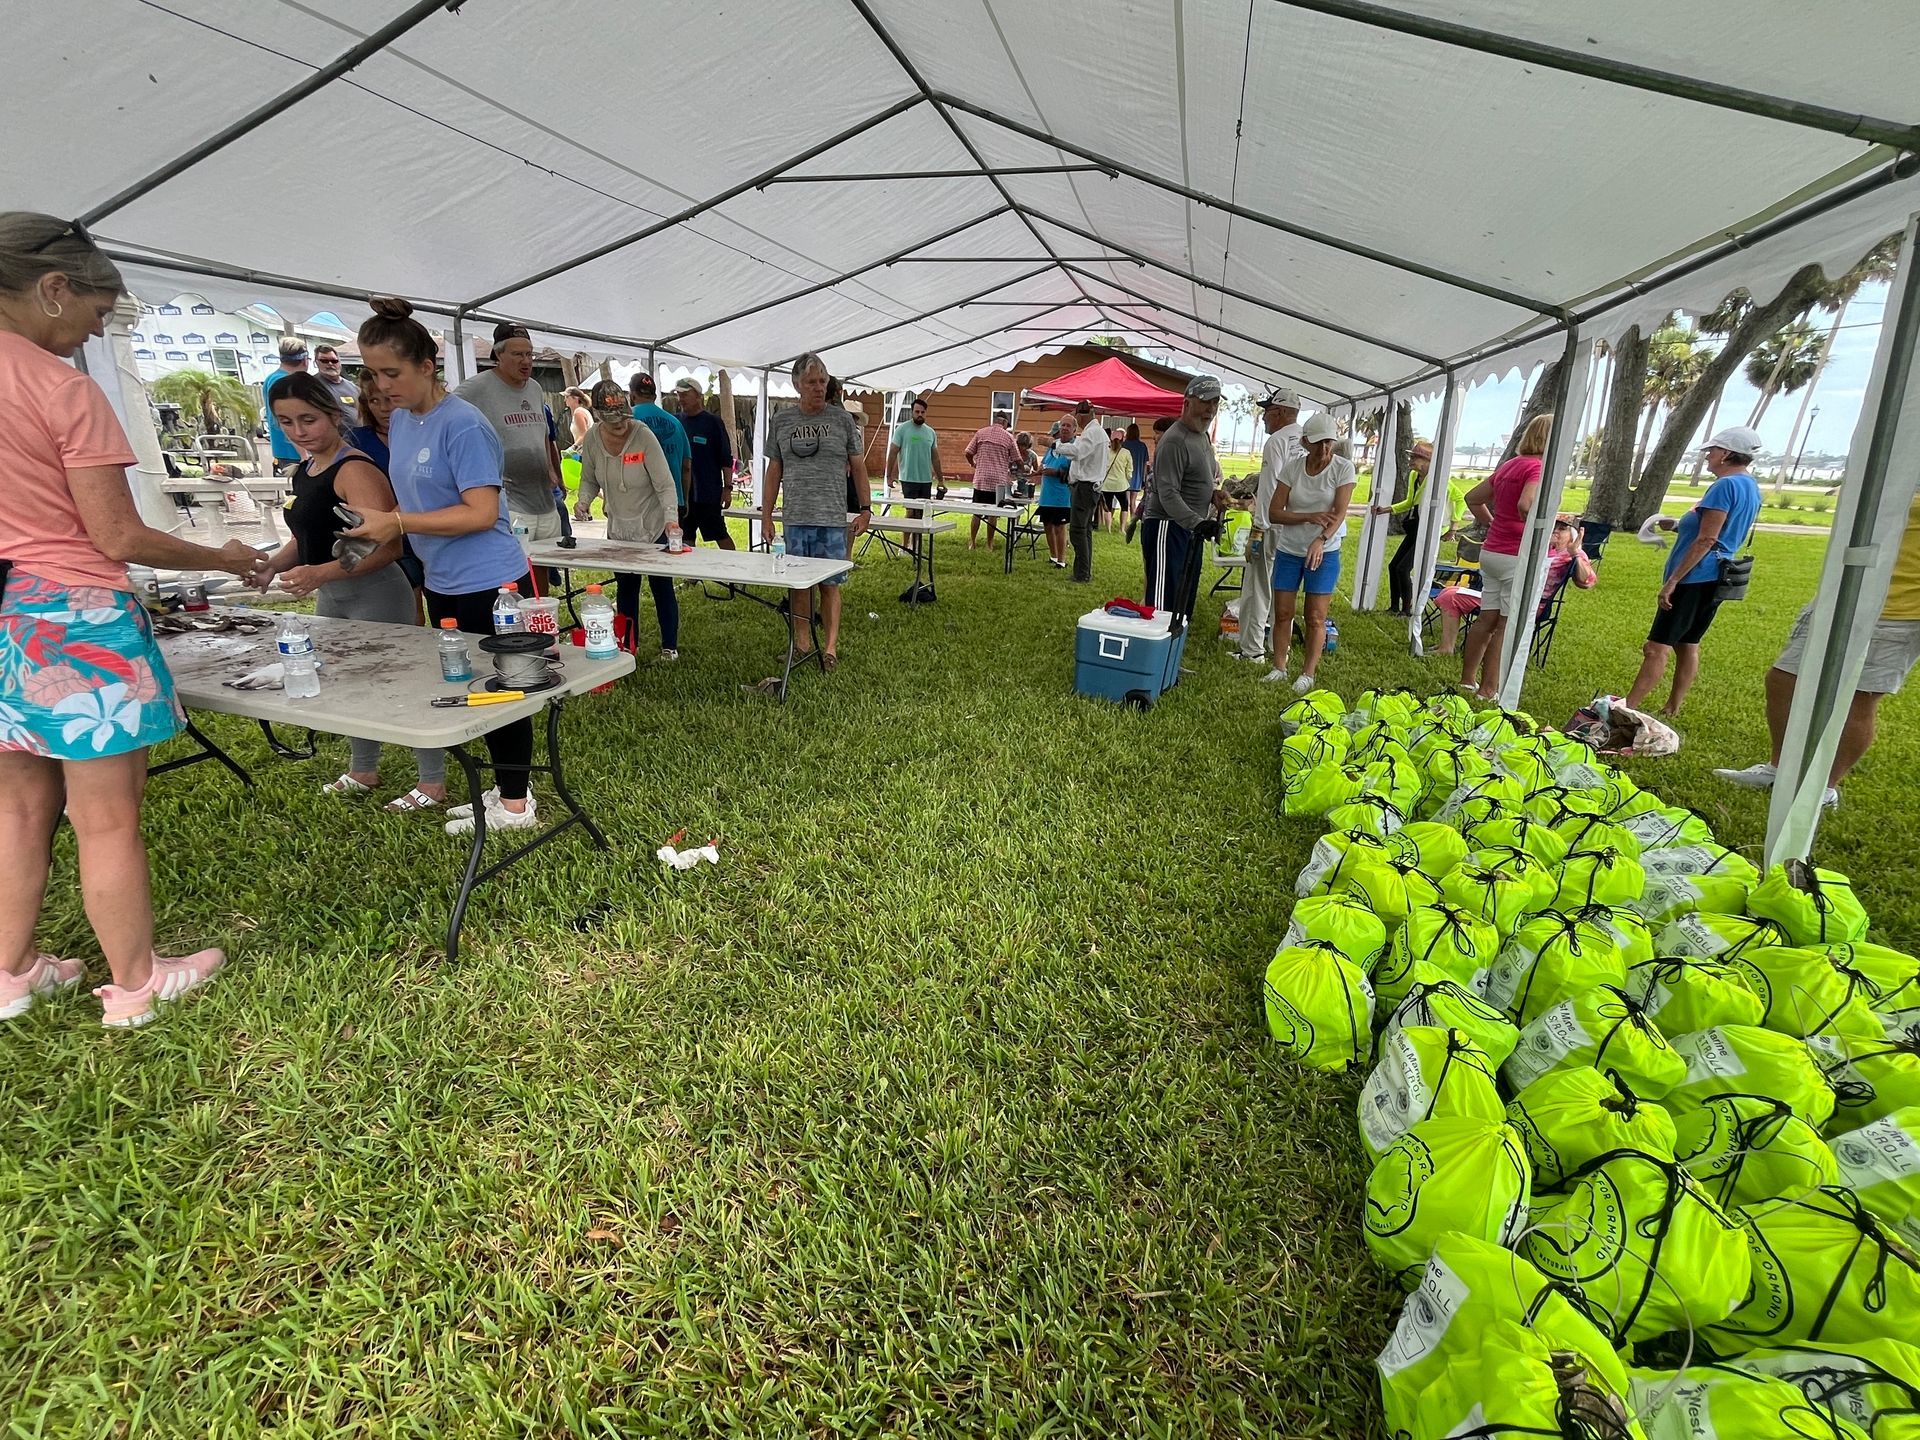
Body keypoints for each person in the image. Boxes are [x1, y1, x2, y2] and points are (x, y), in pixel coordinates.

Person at [0, 212, 260, 1026]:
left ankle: (10, 973)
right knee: (106, 818)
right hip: (79, 615)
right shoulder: (61, 389)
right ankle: (137, 983)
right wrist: (219, 558)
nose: (93, 332)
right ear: (52, 289)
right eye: (96, 312)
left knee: (15, 807)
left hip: (11, 618)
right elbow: (115, 533)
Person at [344, 298, 540, 837]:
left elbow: (480, 512)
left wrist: (397, 523)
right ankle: (507, 788)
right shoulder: (405, 420)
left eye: (392, 372)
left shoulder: (464, 425)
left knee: (507, 688)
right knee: (474, 682)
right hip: (444, 580)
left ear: (427, 367)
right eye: (372, 373)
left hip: (492, 580)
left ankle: (519, 806)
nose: (381, 386)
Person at [252, 372, 445, 809]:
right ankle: (364, 768)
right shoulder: (306, 469)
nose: (299, 432)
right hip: (335, 594)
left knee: (403, 682)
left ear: (332, 415)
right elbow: (307, 535)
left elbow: (387, 545)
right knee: (349, 682)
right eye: (286, 423)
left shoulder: (353, 468)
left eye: (308, 420)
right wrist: (272, 567)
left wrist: (322, 573)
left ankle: (432, 781)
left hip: (376, 591)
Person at [1714, 499, 1920, 810]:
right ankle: (1778, 770)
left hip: (1897, 610)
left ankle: (1823, 789)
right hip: (1839, 595)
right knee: (1782, 681)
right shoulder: (1891, 460)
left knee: (1858, 698)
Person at [1622, 425, 1764, 717]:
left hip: (1696, 576)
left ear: (1726, 454)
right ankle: (1673, 707)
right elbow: (1718, 531)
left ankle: (1627, 708)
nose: (1708, 457)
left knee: (1656, 647)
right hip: (1717, 577)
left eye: (1711, 451)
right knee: (1688, 643)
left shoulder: (1724, 486)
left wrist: (1674, 580)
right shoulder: (1750, 486)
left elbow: (1707, 538)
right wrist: (1676, 525)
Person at [760, 353, 870, 676]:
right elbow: (773, 471)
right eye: (811, 382)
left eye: (823, 381)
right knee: (798, 586)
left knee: (830, 585)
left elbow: (859, 467)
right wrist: (767, 516)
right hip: (795, 518)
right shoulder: (782, 421)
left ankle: (831, 648)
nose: (819, 387)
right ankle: (803, 644)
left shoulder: (842, 421)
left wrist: (865, 509)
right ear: (797, 385)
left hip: (833, 519)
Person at [575, 380, 681, 661]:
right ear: (598, 415)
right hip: (619, 529)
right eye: (612, 421)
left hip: (653, 526)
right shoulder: (593, 439)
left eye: (623, 418)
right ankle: (627, 644)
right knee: (626, 588)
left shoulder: (644, 436)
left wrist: (671, 520)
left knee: (662, 586)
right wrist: (583, 502)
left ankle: (669, 647)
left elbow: (665, 485)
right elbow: (588, 479)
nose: (620, 425)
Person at [1456, 413, 1553, 701]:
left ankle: (1467, 680)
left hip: (1493, 552)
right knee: (1506, 624)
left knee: (1486, 618)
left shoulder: (1510, 465)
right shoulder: (1537, 468)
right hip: (1516, 556)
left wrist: (1492, 523)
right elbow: (1526, 504)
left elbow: (1472, 498)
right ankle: (1488, 689)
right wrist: (1533, 529)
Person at [454, 323, 568, 556]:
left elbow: (544, 435)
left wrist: (551, 469)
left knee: (543, 574)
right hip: (510, 504)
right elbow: (444, 419)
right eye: (517, 354)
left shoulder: (535, 388)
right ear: (498, 354)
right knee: (516, 573)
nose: (526, 361)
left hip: (545, 500)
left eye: (529, 354)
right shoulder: (476, 388)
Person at [1266, 412, 1356, 694]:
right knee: (1282, 613)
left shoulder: (1343, 468)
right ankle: (1279, 667)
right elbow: (1274, 513)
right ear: (1305, 442)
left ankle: (1308, 674)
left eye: (1329, 442)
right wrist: (1308, 516)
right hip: (1290, 550)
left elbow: (1339, 514)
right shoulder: (1292, 469)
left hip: (1325, 551)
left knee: (1315, 616)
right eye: (1318, 443)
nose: (1324, 449)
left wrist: (1321, 540)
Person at [1433, 516, 1595, 655]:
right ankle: (1447, 645)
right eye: (1553, 527)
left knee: (1450, 596)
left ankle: (1446, 648)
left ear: (1573, 535)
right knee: (1449, 591)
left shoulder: (1574, 554)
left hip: (1525, 605)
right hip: (1507, 595)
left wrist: (1574, 554)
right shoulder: (1539, 549)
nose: (1555, 531)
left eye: (1562, 529)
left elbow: (1586, 582)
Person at [1142, 375, 1226, 613]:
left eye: (1215, 403)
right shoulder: (1174, 441)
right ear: (1187, 403)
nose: (1211, 409)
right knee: (1163, 604)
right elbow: (1168, 493)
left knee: (1184, 596)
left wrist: (1213, 494)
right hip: (1167, 528)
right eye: (1205, 402)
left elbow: (1197, 478)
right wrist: (1198, 523)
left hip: (1189, 528)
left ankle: (1175, 646)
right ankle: (1158, 647)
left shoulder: (1202, 436)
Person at [1238, 390, 1305, 672]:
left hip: (1272, 524)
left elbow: (1269, 489)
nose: (1264, 416)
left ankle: (1252, 650)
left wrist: (1259, 527)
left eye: (1267, 411)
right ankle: (1280, 648)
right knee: (1285, 592)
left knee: (1258, 587)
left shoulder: (1276, 441)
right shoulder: (1305, 441)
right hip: (1298, 527)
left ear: (1279, 412)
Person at [1373, 437, 1438, 617]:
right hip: (1415, 524)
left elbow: (1458, 498)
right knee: (1394, 566)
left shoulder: (1436, 479)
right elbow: (1410, 501)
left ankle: (1407, 610)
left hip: (1426, 527)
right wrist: (1387, 509)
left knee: (1403, 568)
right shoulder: (1413, 476)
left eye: (1415, 458)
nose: (1411, 461)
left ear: (1428, 461)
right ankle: (1394, 607)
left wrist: (1452, 527)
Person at [673, 377, 737, 550]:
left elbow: (725, 458)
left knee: (719, 533)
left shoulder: (713, 422)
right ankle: (691, 575)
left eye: (685, 394)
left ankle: (735, 571)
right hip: (684, 493)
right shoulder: (676, 421)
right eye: (679, 394)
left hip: (708, 492)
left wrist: (728, 488)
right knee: (685, 536)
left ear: (698, 396)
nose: (681, 399)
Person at [1053, 400, 1110, 582]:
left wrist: (1054, 445)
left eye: (1076, 416)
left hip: (1085, 487)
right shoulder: (1097, 432)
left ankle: (1081, 574)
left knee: (1078, 531)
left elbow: (1078, 452)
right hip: (1090, 487)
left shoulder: (1092, 433)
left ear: (1082, 415)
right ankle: (1083, 572)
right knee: (1084, 531)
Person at [629, 373, 691, 521]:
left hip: (635, 503)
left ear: (632, 395)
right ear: (655, 396)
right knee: (671, 544)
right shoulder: (675, 423)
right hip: (672, 501)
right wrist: (684, 500)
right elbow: (686, 466)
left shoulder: (625, 421)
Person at [962, 408, 1021, 549]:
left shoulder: (981, 433)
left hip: (981, 479)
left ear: (994, 420)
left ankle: (972, 542)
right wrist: (1022, 469)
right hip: (998, 482)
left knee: (976, 513)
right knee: (993, 514)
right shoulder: (1008, 437)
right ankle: (989, 544)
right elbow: (1018, 459)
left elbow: (968, 452)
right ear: (1005, 423)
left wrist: (973, 464)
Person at [886, 392, 942, 516]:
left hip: (925, 479)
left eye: (922, 412)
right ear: (912, 412)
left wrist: (941, 480)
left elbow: (936, 458)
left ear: (926, 413)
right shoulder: (902, 429)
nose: (920, 415)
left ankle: (918, 536)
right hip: (908, 478)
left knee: (922, 513)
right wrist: (889, 475)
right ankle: (906, 536)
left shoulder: (930, 432)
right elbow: (892, 453)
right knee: (910, 511)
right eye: (917, 412)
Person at [261, 336, 309, 474]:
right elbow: (288, 420)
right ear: (305, 360)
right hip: (295, 452)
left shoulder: (271, 378)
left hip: (284, 450)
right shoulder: (286, 382)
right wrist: (304, 454)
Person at [1036, 418, 1075, 568]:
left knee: (1060, 526)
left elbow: (1074, 471)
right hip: (1047, 494)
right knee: (1047, 525)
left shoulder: (1074, 448)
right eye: (1062, 426)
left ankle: (1061, 560)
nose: (1053, 438)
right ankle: (1053, 556)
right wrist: (1038, 471)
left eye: (1067, 426)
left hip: (1062, 494)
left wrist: (1057, 472)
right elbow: (1044, 463)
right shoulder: (1051, 449)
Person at [1101, 427, 1133, 532]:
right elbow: (1129, 469)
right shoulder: (1126, 452)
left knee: (1107, 507)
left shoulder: (1106, 452)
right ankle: (1122, 529)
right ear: (1122, 439)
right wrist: (1128, 477)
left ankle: (1108, 530)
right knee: (1124, 506)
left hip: (1106, 484)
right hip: (1121, 484)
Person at [313, 344, 358, 416]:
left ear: (339, 362)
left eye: (334, 361)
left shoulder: (353, 387)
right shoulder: (312, 386)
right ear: (316, 362)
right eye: (324, 361)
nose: (330, 364)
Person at [1123, 421, 1149, 513]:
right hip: (1137, 477)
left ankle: (1124, 523)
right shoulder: (1142, 446)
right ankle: (1132, 521)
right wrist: (1145, 478)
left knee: (1126, 502)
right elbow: (1145, 464)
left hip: (1125, 476)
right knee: (1133, 502)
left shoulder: (1124, 445)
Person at [563, 387, 592, 452]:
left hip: (585, 451)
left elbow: (584, 434)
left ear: (575, 398)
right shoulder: (582, 411)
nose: (565, 400)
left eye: (567, 397)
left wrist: (572, 449)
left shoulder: (578, 413)